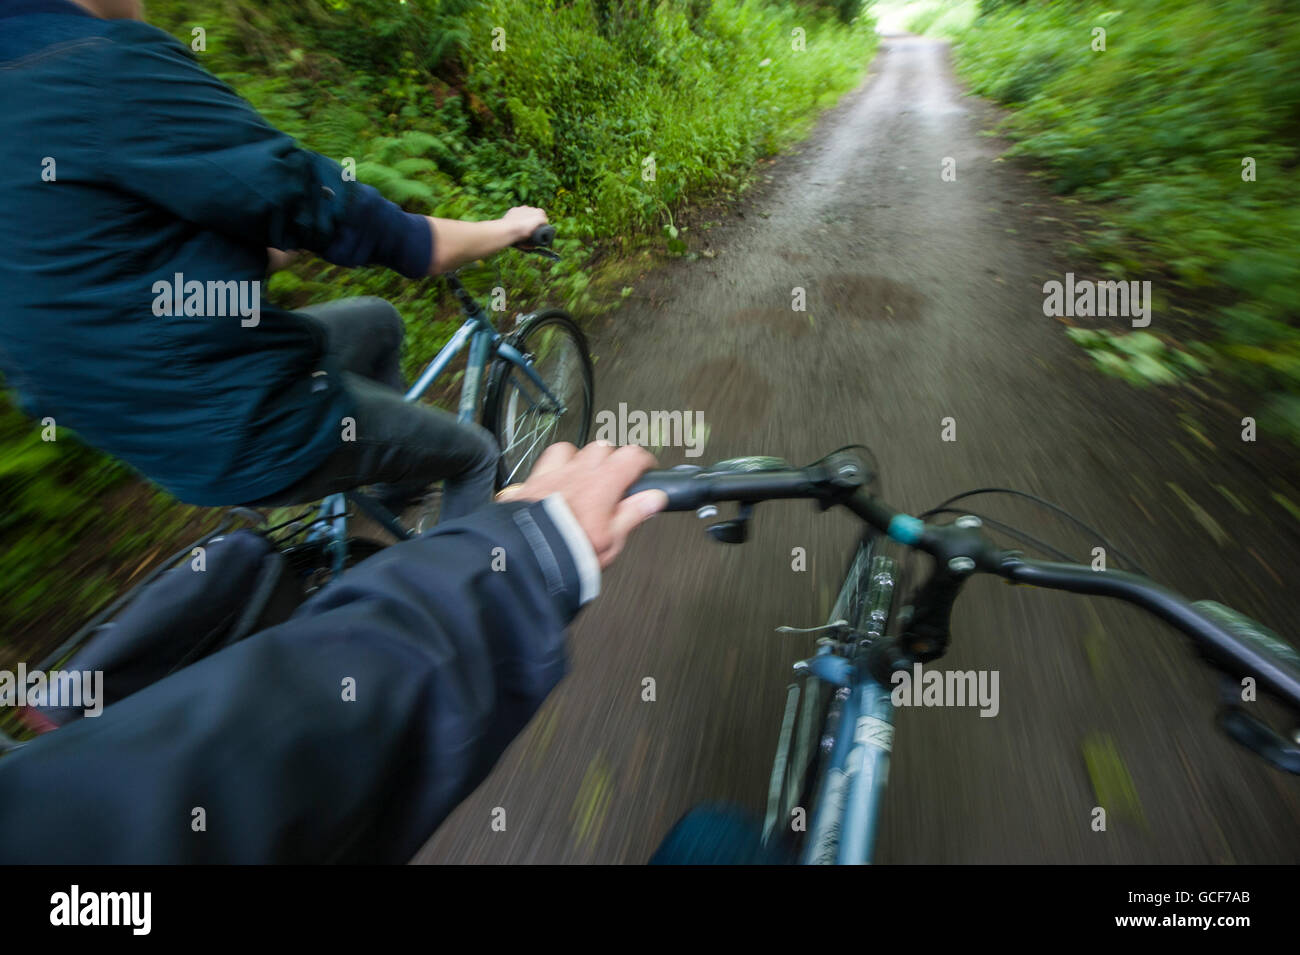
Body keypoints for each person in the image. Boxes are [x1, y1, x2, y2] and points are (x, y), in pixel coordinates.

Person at [0, 442, 669, 864]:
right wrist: (520, 552)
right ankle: (445, 532)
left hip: (169, 441)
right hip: (253, 417)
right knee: (468, 448)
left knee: (368, 328)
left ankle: (377, 513)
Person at [0, 0, 543, 519]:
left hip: (136, 429)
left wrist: (248, 242)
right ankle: (459, 595)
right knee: (475, 456)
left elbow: (107, 264)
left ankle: (396, 481)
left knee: (377, 320)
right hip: (239, 419)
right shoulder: (106, 64)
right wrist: (507, 227)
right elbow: (376, 229)